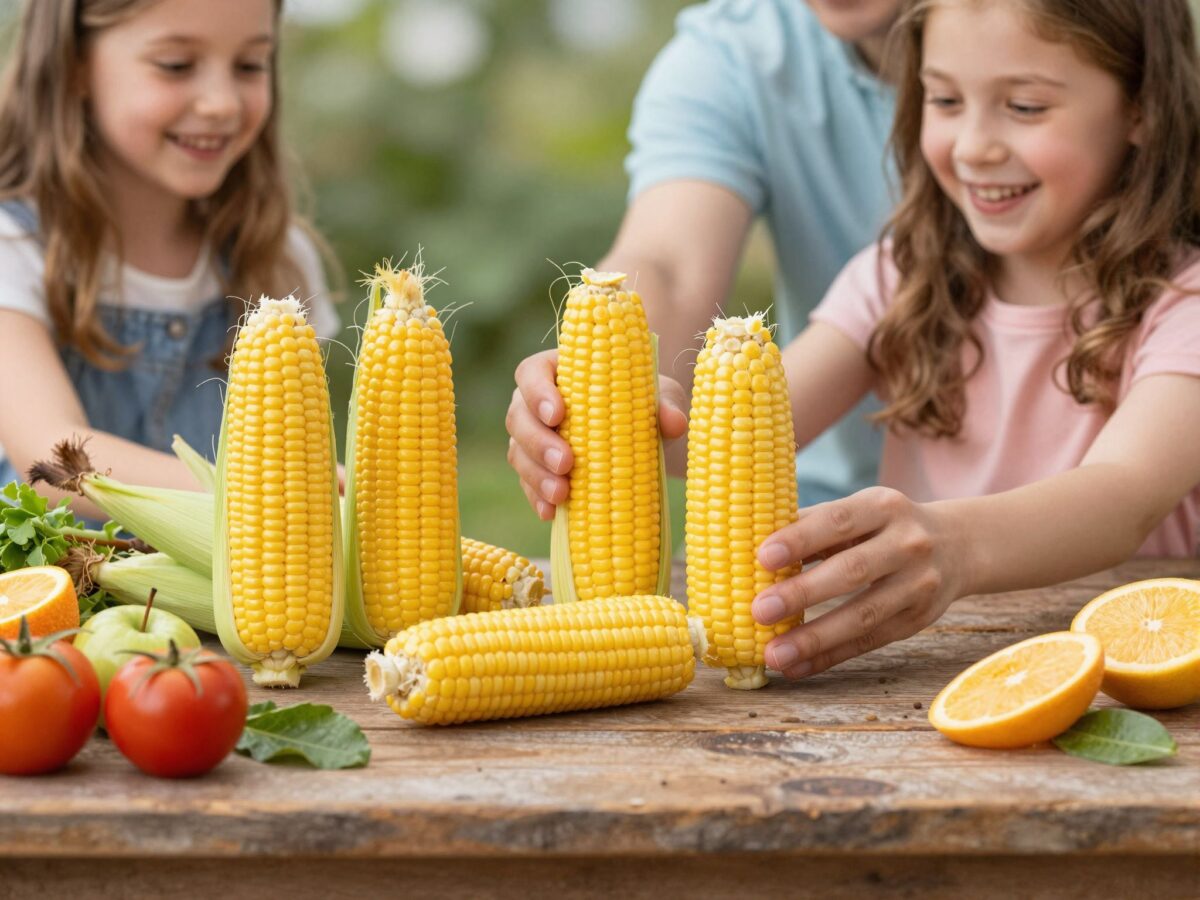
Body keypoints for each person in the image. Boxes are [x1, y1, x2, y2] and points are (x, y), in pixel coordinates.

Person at [744, 0, 1200, 678]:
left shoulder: (1183, 304)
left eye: (1024, 107)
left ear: (1141, 108)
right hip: (924, 674)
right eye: (946, 99)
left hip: (1126, 671)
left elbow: (1124, 496)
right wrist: (609, 410)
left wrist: (954, 545)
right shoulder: (900, 274)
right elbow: (731, 434)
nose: (973, 146)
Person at [507, 0, 905, 520]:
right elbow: (668, 263)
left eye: (1022, 105)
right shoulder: (733, 52)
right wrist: (598, 376)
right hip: (821, 517)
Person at [0, 0, 339, 520]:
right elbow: (51, 461)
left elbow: (295, 450)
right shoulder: (14, 248)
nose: (222, 103)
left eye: (250, 65)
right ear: (74, 65)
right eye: (177, 65)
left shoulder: (277, 261)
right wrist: (265, 495)